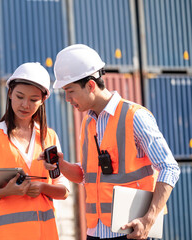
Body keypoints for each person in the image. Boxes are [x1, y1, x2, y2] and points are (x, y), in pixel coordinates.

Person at [39, 44, 180, 240]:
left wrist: (149, 220)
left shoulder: (135, 116)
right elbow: (87, 176)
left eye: (70, 91)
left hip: (132, 231)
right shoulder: (88, 123)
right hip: (95, 232)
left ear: (90, 85)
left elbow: (169, 167)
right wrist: (61, 165)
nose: (67, 98)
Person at [0, 62, 70, 240]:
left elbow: (64, 191)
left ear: (43, 100)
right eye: (20, 96)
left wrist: (42, 187)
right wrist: (8, 191)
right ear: (10, 93)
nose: (25, 104)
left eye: (33, 99)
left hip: (45, 235)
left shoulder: (50, 138)